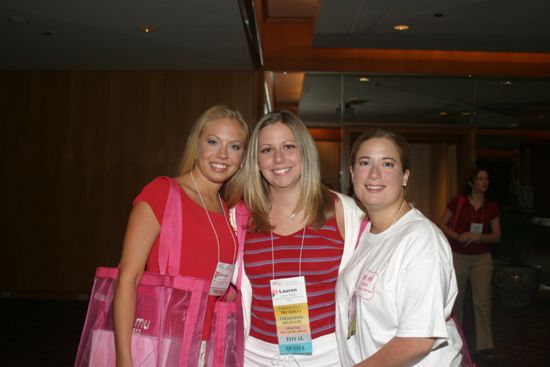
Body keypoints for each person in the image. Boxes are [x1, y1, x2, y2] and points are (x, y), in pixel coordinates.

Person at [113, 104, 249, 367]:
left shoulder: (225, 208)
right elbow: (127, 279)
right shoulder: (162, 193)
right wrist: (123, 359)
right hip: (162, 342)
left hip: (210, 344)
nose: (222, 154)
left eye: (234, 146)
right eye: (213, 142)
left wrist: (226, 292)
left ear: (242, 157)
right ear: (197, 145)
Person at [225, 110, 364, 366]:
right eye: (267, 150)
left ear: (305, 153)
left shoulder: (344, 211)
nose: (278, 158)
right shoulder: (239, 217)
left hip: (329, 355)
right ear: (256, 161)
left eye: (289, 146)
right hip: (257, 355)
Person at [335, 129, 463, 366]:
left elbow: (418, 339)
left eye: (387, 164)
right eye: (365, 163)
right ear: (352, 173)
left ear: (405, 176)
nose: (374, 174)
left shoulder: (420, 240)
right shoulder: (367, 235)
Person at [438, 167, 501, 361]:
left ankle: (485, 346)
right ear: (471, 182)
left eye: (487, 178)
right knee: (456, 301)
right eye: (480, 178)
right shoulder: (459, 202)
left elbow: (497, 236)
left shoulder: (491, 207)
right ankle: (455, 342)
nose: (485, 182)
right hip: (458, 256)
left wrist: (479, 236)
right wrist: (458, 235)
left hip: (482, 258)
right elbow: (441, 224)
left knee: (482, 302)